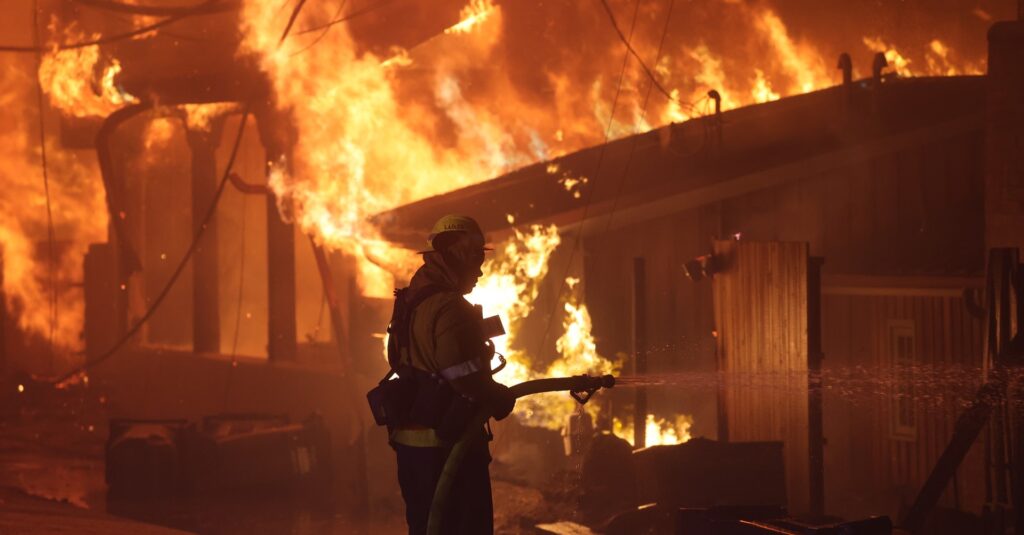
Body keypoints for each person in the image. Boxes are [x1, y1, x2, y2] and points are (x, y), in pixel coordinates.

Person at [386, 214, 516, 535]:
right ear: (454, 254)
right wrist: (496, 394)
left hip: (412, 446)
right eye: (475, 258)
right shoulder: (450, 307)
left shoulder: (410, 301)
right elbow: (460, 374)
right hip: (448, 448)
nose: (480, 270)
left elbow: (398, 359)